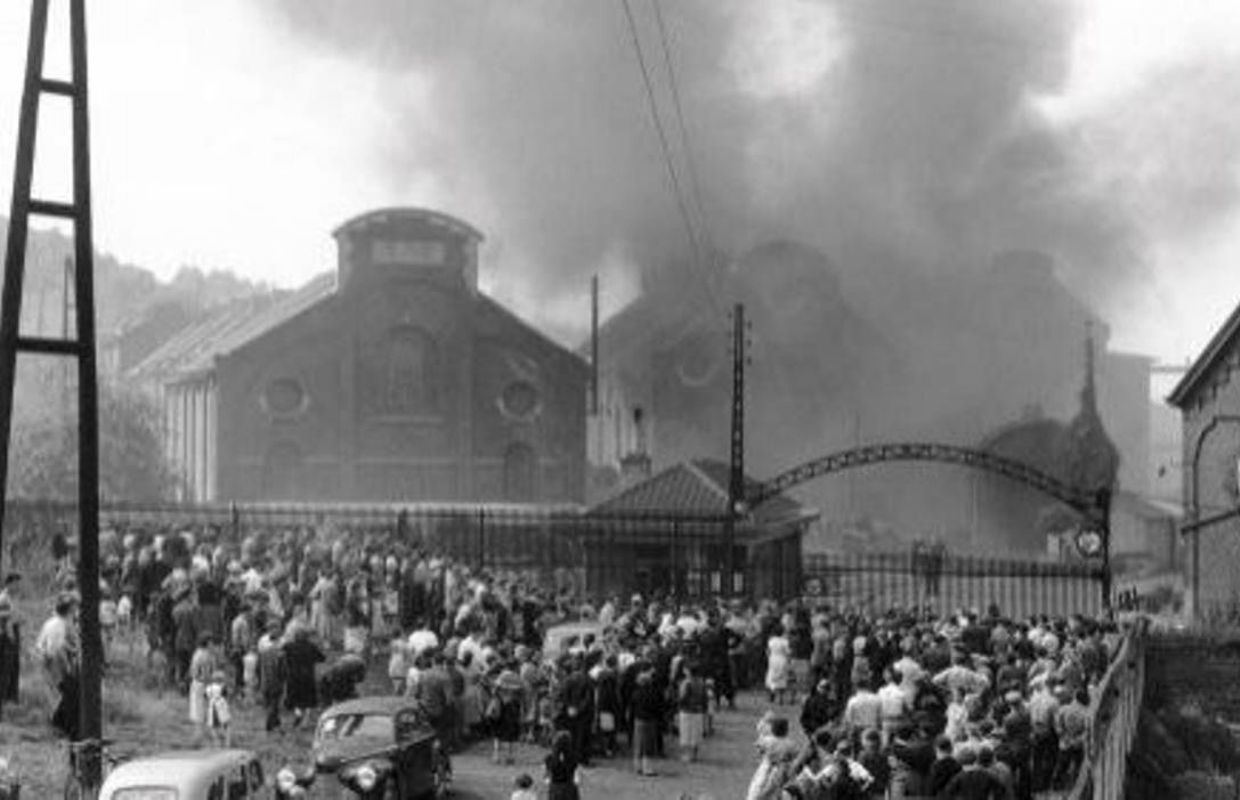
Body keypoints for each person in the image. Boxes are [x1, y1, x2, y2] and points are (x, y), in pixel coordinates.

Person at [35, 592, 80, 739]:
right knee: (69, 695)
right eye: (75, 607)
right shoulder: (60, 625)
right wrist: (66, 668)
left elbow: (40, 644)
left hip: (48, 662)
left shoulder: (52, 622)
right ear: (70, 609)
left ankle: (58, 724)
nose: (77, 609)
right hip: (56, 664)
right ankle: (62, 726)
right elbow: (58, 648)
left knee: (63, 695)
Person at [746, 714, 799, 800]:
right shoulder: (790, 743)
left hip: (768, 767)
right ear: (786, 730)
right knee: (777, 791)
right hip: (784, 769)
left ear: (773, 729)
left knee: (758, 788)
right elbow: (795, 755)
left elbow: (759, 748)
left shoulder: (768, 741)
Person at [283, 626, 325, 728]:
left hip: (293, 677)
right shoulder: (311, 646)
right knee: (308, 701)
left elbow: (282, 657)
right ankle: (305, 722)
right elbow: (322, 658)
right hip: (307, 677)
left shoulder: (288, 646)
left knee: (295, 699)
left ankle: (298, 714)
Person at [677, 661, 709, 763]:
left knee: (686, 733)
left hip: (686, 710)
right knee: (696, 734)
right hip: (698, 710)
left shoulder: (686, 682)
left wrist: (678, 704)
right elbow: (705, 698)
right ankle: (694, 755)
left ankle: (686, 755)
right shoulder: (701, 682)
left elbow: (683, 697)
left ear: (689, 671)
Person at [188, 632, 217, 742]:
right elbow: (209, 673)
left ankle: (200, 735)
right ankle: (205, 735)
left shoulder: (197, 653)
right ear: (208, 643)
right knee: (205, 710)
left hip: (197, 684)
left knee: (198, 710)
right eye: (211, 642)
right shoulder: (208, 655)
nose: (213, 644)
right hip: (205, 684)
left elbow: (193, 672)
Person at [0, 573, 22, 710]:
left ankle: (11, 699)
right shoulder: (4, 598)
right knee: (6, 668)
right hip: (7, 636)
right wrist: (11, 636)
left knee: (14, 667)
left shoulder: (12, 597)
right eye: (16, 583)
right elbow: (4, 620)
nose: (18, 586)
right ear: (9, 583)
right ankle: (3, 700)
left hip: (14, 632)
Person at [545, 729, 581, 800]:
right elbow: (577, 776)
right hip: (569, 788)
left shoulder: (549, 758)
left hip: (555, 788)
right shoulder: (574, 757)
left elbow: (547, 777)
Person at [205, 669, 232, 748]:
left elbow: (206, 697)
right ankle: (227, 743)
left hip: (212, 706)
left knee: (213, 726)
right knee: (226, 724)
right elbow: (226, 695)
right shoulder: (222, 687)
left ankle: (217, 743)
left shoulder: (209, 688)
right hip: (221, 705)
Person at [766, 625, 792, 705]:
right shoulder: (785, 641)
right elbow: (788, 652)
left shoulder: (771, 641)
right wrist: (789, 660)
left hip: (773, 659)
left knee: (772, 676)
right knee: (782, 677)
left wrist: (769, 657)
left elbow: (768, 651)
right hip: (782, 659)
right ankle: (781, 697)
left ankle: (772, 694)